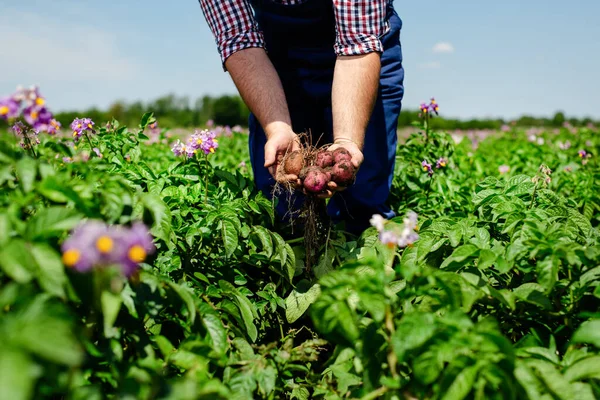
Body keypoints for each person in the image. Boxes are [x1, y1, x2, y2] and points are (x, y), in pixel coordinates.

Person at [198, 0, 404, 234]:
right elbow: (240, 40)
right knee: (281, 202)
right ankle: (294, 261)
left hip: (362, 52)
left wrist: (347, 142)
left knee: (363, 197)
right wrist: (278, 129)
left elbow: (357, 43)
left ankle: (363, 262)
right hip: (276, 60)